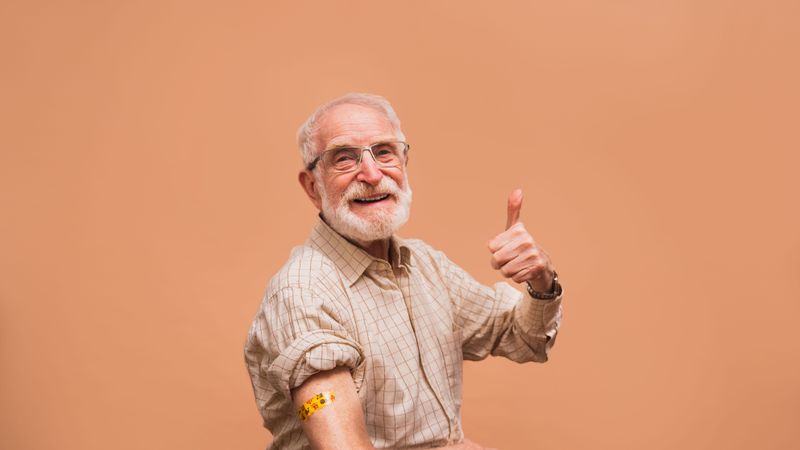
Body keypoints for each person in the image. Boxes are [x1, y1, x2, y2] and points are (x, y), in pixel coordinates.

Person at [244, 93, 564, 450]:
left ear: (404, 162)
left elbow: (520, 336)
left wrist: (541, 279)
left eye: (384, 152)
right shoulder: (302, 293)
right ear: (312, 187)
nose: (371, 173)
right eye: (344, 159)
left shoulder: (424, 265)